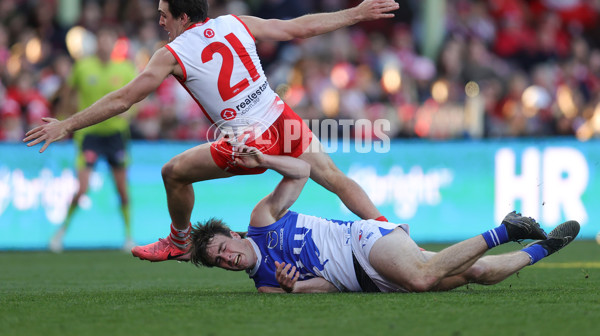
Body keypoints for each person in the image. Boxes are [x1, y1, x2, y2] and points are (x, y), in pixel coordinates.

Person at [24, 0, 400, 262]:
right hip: (280, 117)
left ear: (182, 16)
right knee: (335, 178)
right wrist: (356, 13)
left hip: (249, 140)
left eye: (163, 15)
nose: (160, 23)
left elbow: (124, 99)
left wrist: (66, 124)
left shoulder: (170, 53)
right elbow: (297, 27)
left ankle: (179, 240)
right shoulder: (235, 22)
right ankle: (391, 235)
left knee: (172, 173)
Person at [189, 146, 580, 293]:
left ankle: (507, 228)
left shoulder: (261, 220)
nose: (226, 257)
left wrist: (266, 161)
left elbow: (301, 171)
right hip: (368, 280)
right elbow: (328, 287)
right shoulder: (267, 286)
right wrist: (296, 289)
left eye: (223, 247)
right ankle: (543, 248)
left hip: (361, 240)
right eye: (219, 261)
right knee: (473, 272)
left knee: (422, 277)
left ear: (232, 234)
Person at [49, 26, 137, 252]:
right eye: (102, 39)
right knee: (82, 189)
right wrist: (62, 121)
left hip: (116, 134)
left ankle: (128, 237)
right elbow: (68, 94)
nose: (105, 44)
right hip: (89, 134)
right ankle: (61, 233)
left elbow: (140, 97)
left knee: (122, 189)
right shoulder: (83, 66)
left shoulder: (126, 68)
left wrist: (132, 113)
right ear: (97, 43)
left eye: (109, 40)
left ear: (114, 44)